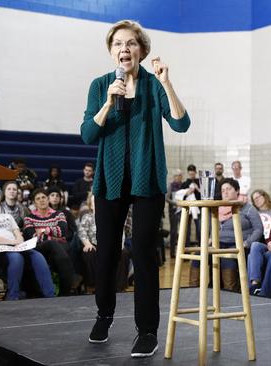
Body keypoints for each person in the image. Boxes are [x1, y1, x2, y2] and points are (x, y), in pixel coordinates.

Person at [80, 19, 190, 357]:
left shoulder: (154, 84)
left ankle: (147, 331)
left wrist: (167, 83)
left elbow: (181, 123)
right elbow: (87, 134)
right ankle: (104, 314)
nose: (124, 49)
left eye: (130, 43)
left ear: (141, 49)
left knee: (143, 253)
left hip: (147, 179)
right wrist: (107, 104)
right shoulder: (100, 85)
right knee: (108, 252)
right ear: (111, 51)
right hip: (109, 181)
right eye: (117, 44)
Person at [0, 185, 55, 300]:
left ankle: (50, 295)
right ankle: (13, 296)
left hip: (15, 247)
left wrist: (18, 243)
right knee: (16, 257)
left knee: (37, 256)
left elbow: (18, 235)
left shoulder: (7, 216)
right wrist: (12, 242)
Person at [189, 178, 262, 291]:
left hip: (237, 245)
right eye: (223, 190)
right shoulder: (218, 207)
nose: (225, 192)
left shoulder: (247, 208)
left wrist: (247, 243)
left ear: (237, 191)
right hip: (217, 243)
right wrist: (210, 238)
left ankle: (230, 293)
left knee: (226, 258)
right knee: (198, 255)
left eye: (228, 189)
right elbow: (214, 227)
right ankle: (193, 292)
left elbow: (258, 229)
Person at [23, 189, 76, 297]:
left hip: (58, 249)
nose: (41, 200)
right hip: (40, 248)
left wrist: (43, 231)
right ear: (34, 203)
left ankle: (62, 290)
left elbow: (63, 231)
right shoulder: (29, 218)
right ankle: (66, 291)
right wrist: (53, 232)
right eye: (38, 198)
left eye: (43, 197)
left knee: (58, 248)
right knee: (52, 244)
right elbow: (32, 236)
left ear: (48, 199)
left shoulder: (59, 214)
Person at [78, 193, 130, 294]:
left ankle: (119, 287)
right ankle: (92, 286)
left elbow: (120, 231)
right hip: (93, 245)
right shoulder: (87, 217)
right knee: (89, 254)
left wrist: (120, 245)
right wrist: (87, 243)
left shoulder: (112, 216)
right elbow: (82, 231)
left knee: (123, 253)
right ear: (91, 205)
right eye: (95, 202)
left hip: (112, 245)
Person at [166, 169, 183, 258]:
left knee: (183, 231)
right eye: (177, 176)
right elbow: (167, 198)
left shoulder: (183, 185)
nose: (179, 177)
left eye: (180, 176)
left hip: (182, 210)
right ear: (174, 177)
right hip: (173, 211)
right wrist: (175, 203)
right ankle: (172, 252)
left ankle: (182, 252)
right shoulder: (171, 186)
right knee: (173, 231)